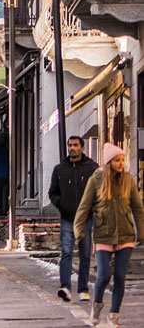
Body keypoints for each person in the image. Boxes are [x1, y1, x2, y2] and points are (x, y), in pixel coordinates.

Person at [74, 143, 144, 327]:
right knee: (104, 275)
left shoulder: (128, 180)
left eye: (123, 160)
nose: (121, 163)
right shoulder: (96, 179)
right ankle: (96, 307)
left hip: (125, 235)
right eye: (117, 160)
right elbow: (84, 207)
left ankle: (114, 315)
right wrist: (78, 230)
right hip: (103, 235)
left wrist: (141, 232)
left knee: (120, 276)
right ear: (109, 162)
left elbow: (137, 208)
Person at [49, 134, 98, 303]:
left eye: (75, 145)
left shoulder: (92, 168)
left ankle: (83, 289)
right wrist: (61, 204)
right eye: (70, 145)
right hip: (67, 218)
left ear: (82, 148)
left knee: (85, 254)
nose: (72, 148)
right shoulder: (60, 169)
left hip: (86, 218)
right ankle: (65, 287)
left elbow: (100, 191)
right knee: (67, 252)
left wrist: (93, 208)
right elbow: (52, 192)